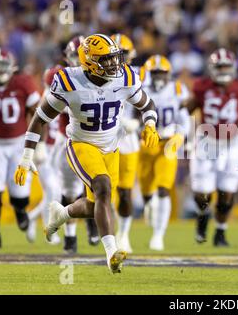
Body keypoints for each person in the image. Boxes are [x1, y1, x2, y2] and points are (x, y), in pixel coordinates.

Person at [14, 34, 159, 273]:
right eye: (107, 60)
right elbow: (39, 119)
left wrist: (151, 124)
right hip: (81, 144)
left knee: (97, 206)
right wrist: (27, 156)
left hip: (111, 147)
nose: (114, 64)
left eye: (115, 58)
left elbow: (146, 104)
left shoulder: (125, 77)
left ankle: (62, 213)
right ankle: (112, 253)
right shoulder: (70, 82)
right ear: (90, 61)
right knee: (102, 187)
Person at [26, 35, 100, 253]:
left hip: (91, 139)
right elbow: (47, 111)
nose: (77, 61)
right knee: (65, 191)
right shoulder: (60, 76)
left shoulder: (101, 77)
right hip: (62, 141)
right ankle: (72, 235)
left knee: (91, 186)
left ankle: (89, 225)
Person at [184, 48, 238, 246]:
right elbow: (186, 110)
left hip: (231, 143)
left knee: (227, 193)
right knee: (201, 193)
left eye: (226, 66)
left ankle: (220, 232)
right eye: (220, 66)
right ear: (212, 68)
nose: (223, 70)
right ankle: (203, 215)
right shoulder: (201, 86)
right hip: (205, 141)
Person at [139, 54, 190, 251]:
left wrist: (181, 135)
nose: (159, 77)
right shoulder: (139, 88)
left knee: (163, 188)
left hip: (167, 142)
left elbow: (184, 119)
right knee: (146, 192)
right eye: (155, 73)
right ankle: (148, 204)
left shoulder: (177, 89)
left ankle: (158, 235)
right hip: (144, 142)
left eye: (162, 73)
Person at [0, 47, 41, 248]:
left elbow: (39, 115)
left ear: (12, 67)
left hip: (18, 144)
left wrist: (39, 146)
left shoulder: (23, 83)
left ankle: (21, 211)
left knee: (19, 195)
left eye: (2, 65)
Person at [110, 33, 140, 253]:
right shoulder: (95, 74)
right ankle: (104, 233)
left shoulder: (138, 75)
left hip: (128, 138)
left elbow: (149, 104)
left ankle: (124, 234)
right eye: (115, 53)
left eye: (124, 53)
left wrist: (137, 123)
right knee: (102, 189)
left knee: (125, 191)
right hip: (104, 135)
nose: (119, 58)